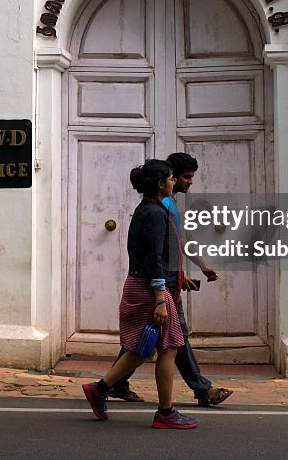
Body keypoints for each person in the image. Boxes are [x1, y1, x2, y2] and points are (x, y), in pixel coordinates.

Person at [107, 152, 233, 408]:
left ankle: (112, 383)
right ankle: (200, 390)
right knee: (176, 338)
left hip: (166, 280)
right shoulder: (157, 208)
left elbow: (177, 242)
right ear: (169, 178)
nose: (187, 182)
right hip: (160, 285)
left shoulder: (168, 205)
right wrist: (164, 287)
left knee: (147, 338)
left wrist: (198, 267)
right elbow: (154, 253)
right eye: (184, 177)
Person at [82, 159, 198, 430]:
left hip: (139, 284)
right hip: (150, 289)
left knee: (140, 348)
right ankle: (165, 412)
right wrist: (160, 298)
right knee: (169, 347)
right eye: (170, 178)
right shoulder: (156, 214)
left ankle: (99, 389)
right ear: (160, 184)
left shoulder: (146, 209)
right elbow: (153, 258)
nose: (173, 182)